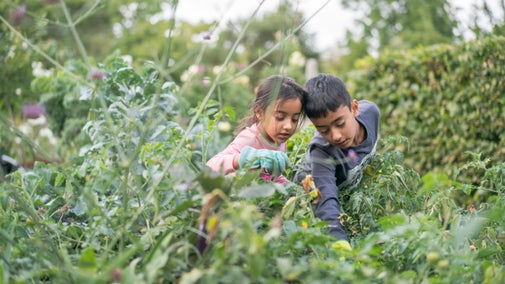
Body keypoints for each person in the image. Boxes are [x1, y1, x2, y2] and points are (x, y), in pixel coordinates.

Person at [294, 74, 380, 249]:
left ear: (354, 108)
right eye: (323, 130)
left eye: (340, 124)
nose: (335, 136)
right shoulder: (322, 151)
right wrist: (341, 246)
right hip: (305, 198)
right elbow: (325, 205)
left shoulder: (371, 113)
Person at [206, 75, 306, 184]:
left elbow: (271, 175)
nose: (288, 126)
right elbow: (210, 168)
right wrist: (241, 159)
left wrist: (290, 188)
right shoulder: (250, 139)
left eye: (295, 119)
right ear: (259, 112)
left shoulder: (280, 141)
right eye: (280, 117)